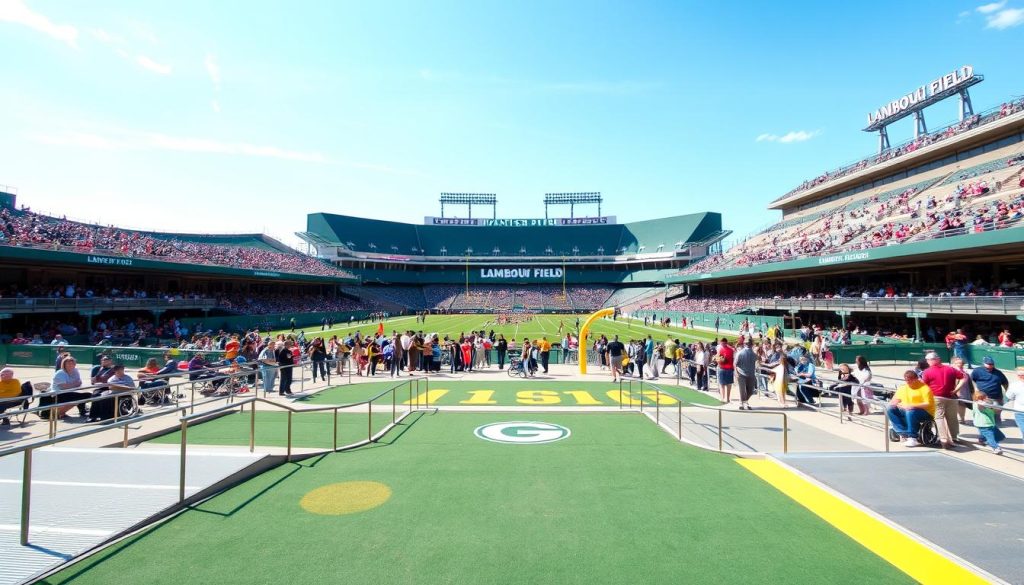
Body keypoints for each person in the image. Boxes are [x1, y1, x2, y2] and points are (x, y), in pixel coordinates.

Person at [920, 352, 964, 449]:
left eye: (928, 360)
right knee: (952, 418)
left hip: (936, 397)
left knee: (939, 418)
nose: (927, 362)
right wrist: (956, 389)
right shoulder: (951, 369)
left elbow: (924, 386)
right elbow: (963, 378)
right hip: (951, 397)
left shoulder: (927, 371)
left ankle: (943, 438)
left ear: (933, 360)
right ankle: (954, 437)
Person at [886, 370, 935, 447]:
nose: (907, 382)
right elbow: (895, 400)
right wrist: (895, 403)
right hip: (906, 409)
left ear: (916, 379)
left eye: (909, 380)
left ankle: (913, 437)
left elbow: (927, 404)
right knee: (890, 409)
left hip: (925, 412)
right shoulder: (903, 388)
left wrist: (912, 406)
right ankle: (903, 433)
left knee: (910, 411)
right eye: (906, 380)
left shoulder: (925, 388)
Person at [970, 356, 1008, 426]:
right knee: (984, 414)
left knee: (996, 414)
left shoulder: (998, 373)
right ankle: (984, 428)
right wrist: (975, 389)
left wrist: (1007, 393)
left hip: (996, 397)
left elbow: (1005, 383)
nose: (990, 367)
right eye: (988, 365)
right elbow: (971, 380)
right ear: (984, 364)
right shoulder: (977, 371)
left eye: (992, 365)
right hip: (982, 398)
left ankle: (997, 428)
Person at [972, 389, 1005, 454]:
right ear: (980, 399)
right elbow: (982, 407)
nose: (987, 398)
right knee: (990, 437)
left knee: (999, 435)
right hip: (985, 424)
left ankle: (982, 440)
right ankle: (996, 448)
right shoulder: (980, 405)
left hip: (987, 424)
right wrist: (993, 408)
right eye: (985, 397)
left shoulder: (977, 404)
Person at [733, 339, 757, 410]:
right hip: (741, 373)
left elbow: (758, 361)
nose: (748, 344)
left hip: (751, 374)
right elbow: (735, 363)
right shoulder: (740, 353)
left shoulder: (754, 353)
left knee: (750, 390)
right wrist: (736, 372)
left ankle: (744, 401)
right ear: (744, 344)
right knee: (742, 390)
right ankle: (743, 403)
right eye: (746, 343)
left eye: (749, 343)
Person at [1004, 367, 1024, 437]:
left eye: (1023, 375)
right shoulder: (1014, 385)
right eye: (1019, 375)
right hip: (1020, 412)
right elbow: (1008, 397)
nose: (1021, 377)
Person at [715, 338, 734, 403]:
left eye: (722, 343)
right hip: (725, 368)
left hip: (725, 368)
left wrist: (720, 360)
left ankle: (725, 398)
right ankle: (724, 398)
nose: (722, 344)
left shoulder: (721, 350)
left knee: (725, 384)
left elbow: (718, 359)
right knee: (724, 384)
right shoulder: (731, 350)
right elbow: (718, 359)